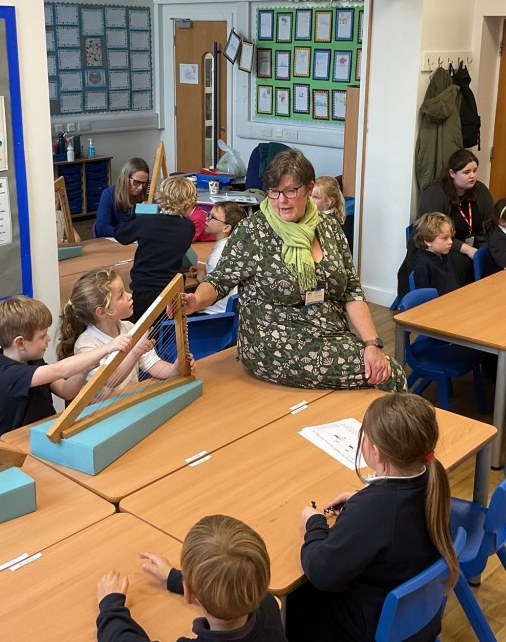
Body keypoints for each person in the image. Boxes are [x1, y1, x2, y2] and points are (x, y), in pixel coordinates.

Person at [183, 150, 405, 391]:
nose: (281, 201)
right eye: (274, 191)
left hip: (331, 336)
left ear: (309, 188)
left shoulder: (329, 228)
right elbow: (218, 281)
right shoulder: (253, 231)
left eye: (290, 191)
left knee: (382, 368)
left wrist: (372, 343)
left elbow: (352, 289)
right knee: (390, 375)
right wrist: (196, 301)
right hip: (274, 343)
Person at [287, 393, 458, 641]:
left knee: (288, 602)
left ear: (376, 453)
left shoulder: (372, 511)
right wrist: (362, 502)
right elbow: (390, 515)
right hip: (416, 620)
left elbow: (321, 572)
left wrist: (314, 523)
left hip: (369, 627)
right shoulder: (431, 484)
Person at [96, 514, 286, 642]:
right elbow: (231, 588)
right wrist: (174, 577)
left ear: (188, 592)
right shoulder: (268, 604)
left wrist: (110, 605)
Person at [0, 294, 131, 440]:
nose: (48, 339)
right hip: (16, 444)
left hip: (43, 434)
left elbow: (66, 391)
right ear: (20, 343)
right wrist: (109, 347)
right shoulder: (7, 375)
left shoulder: (33, 361)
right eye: (42, 336)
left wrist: (84, 370)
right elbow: (60, 369)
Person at [56, 268, 188, 395]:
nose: (129, 296)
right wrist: (135, 352)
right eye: (120, 295)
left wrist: (174, 370)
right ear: (101, 311)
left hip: (131, 401)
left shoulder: (129, 327)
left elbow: (152, 364)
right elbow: (110, 380)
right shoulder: (85, 344)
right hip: (103, 409)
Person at [115, 176, 197, 322]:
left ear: (160, 197)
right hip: (172, 291)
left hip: (143, 290)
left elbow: (121, 235)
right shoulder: (189, 227)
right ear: (189, 203)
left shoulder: (146, 221)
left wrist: (133, 214)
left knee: (141, 330)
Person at [416, 149, 495, 283]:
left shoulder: (480, 190)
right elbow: (432, 234)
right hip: (442, 247)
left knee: (494, 256)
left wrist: (484, 247)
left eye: (475, 171)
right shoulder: (434, 193)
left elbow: (490, 223)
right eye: (466, 172)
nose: (472, 176)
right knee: (461, 264)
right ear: (452, 173)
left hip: (473, 244)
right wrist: (467, 249)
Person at [196, 202, 246, 315]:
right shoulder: (233, 246)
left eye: (212, 217)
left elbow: (212, 288)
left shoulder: (218, 255)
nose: (207, 219)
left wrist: (202, 276)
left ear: (226, 228)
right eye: (208, 214)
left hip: (214, 314)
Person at [405, 211, 464, 296]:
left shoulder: (446, 254)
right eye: (445, 238)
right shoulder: (422, 265)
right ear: (428, 241)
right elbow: (424, 297)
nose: (450, 242)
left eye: (451, 237)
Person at [95, 158, 150, 238]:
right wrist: (129, 233)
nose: (140, 188)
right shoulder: (108, 195)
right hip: (115, 242)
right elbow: (101, 228)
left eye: (144, 183)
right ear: (126, 178)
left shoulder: (146, 196)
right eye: (136, 182)